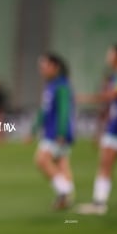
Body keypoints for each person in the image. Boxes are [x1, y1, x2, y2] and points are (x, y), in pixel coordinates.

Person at [76, 44, 117, 215]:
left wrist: (85, 98)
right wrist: (100, 130)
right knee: (105, 162)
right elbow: (111, 106)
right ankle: (99, 203)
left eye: (111, 53)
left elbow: (112, 96)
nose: (108, 55)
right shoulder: (115, 77)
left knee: (105, 162)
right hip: (115, 128)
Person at [31, 53, 75, 210]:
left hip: (56, 132)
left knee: (41, 160)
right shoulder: (52, 85)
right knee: (62, 163)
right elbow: (44, 111)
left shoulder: (61, 86)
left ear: (55, 67)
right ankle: (65, 200)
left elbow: (64, 110)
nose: (41, 70)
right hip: (54, 131)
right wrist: (34, 128)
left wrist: (61, 133)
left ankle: (64, 191)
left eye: (45, 66)